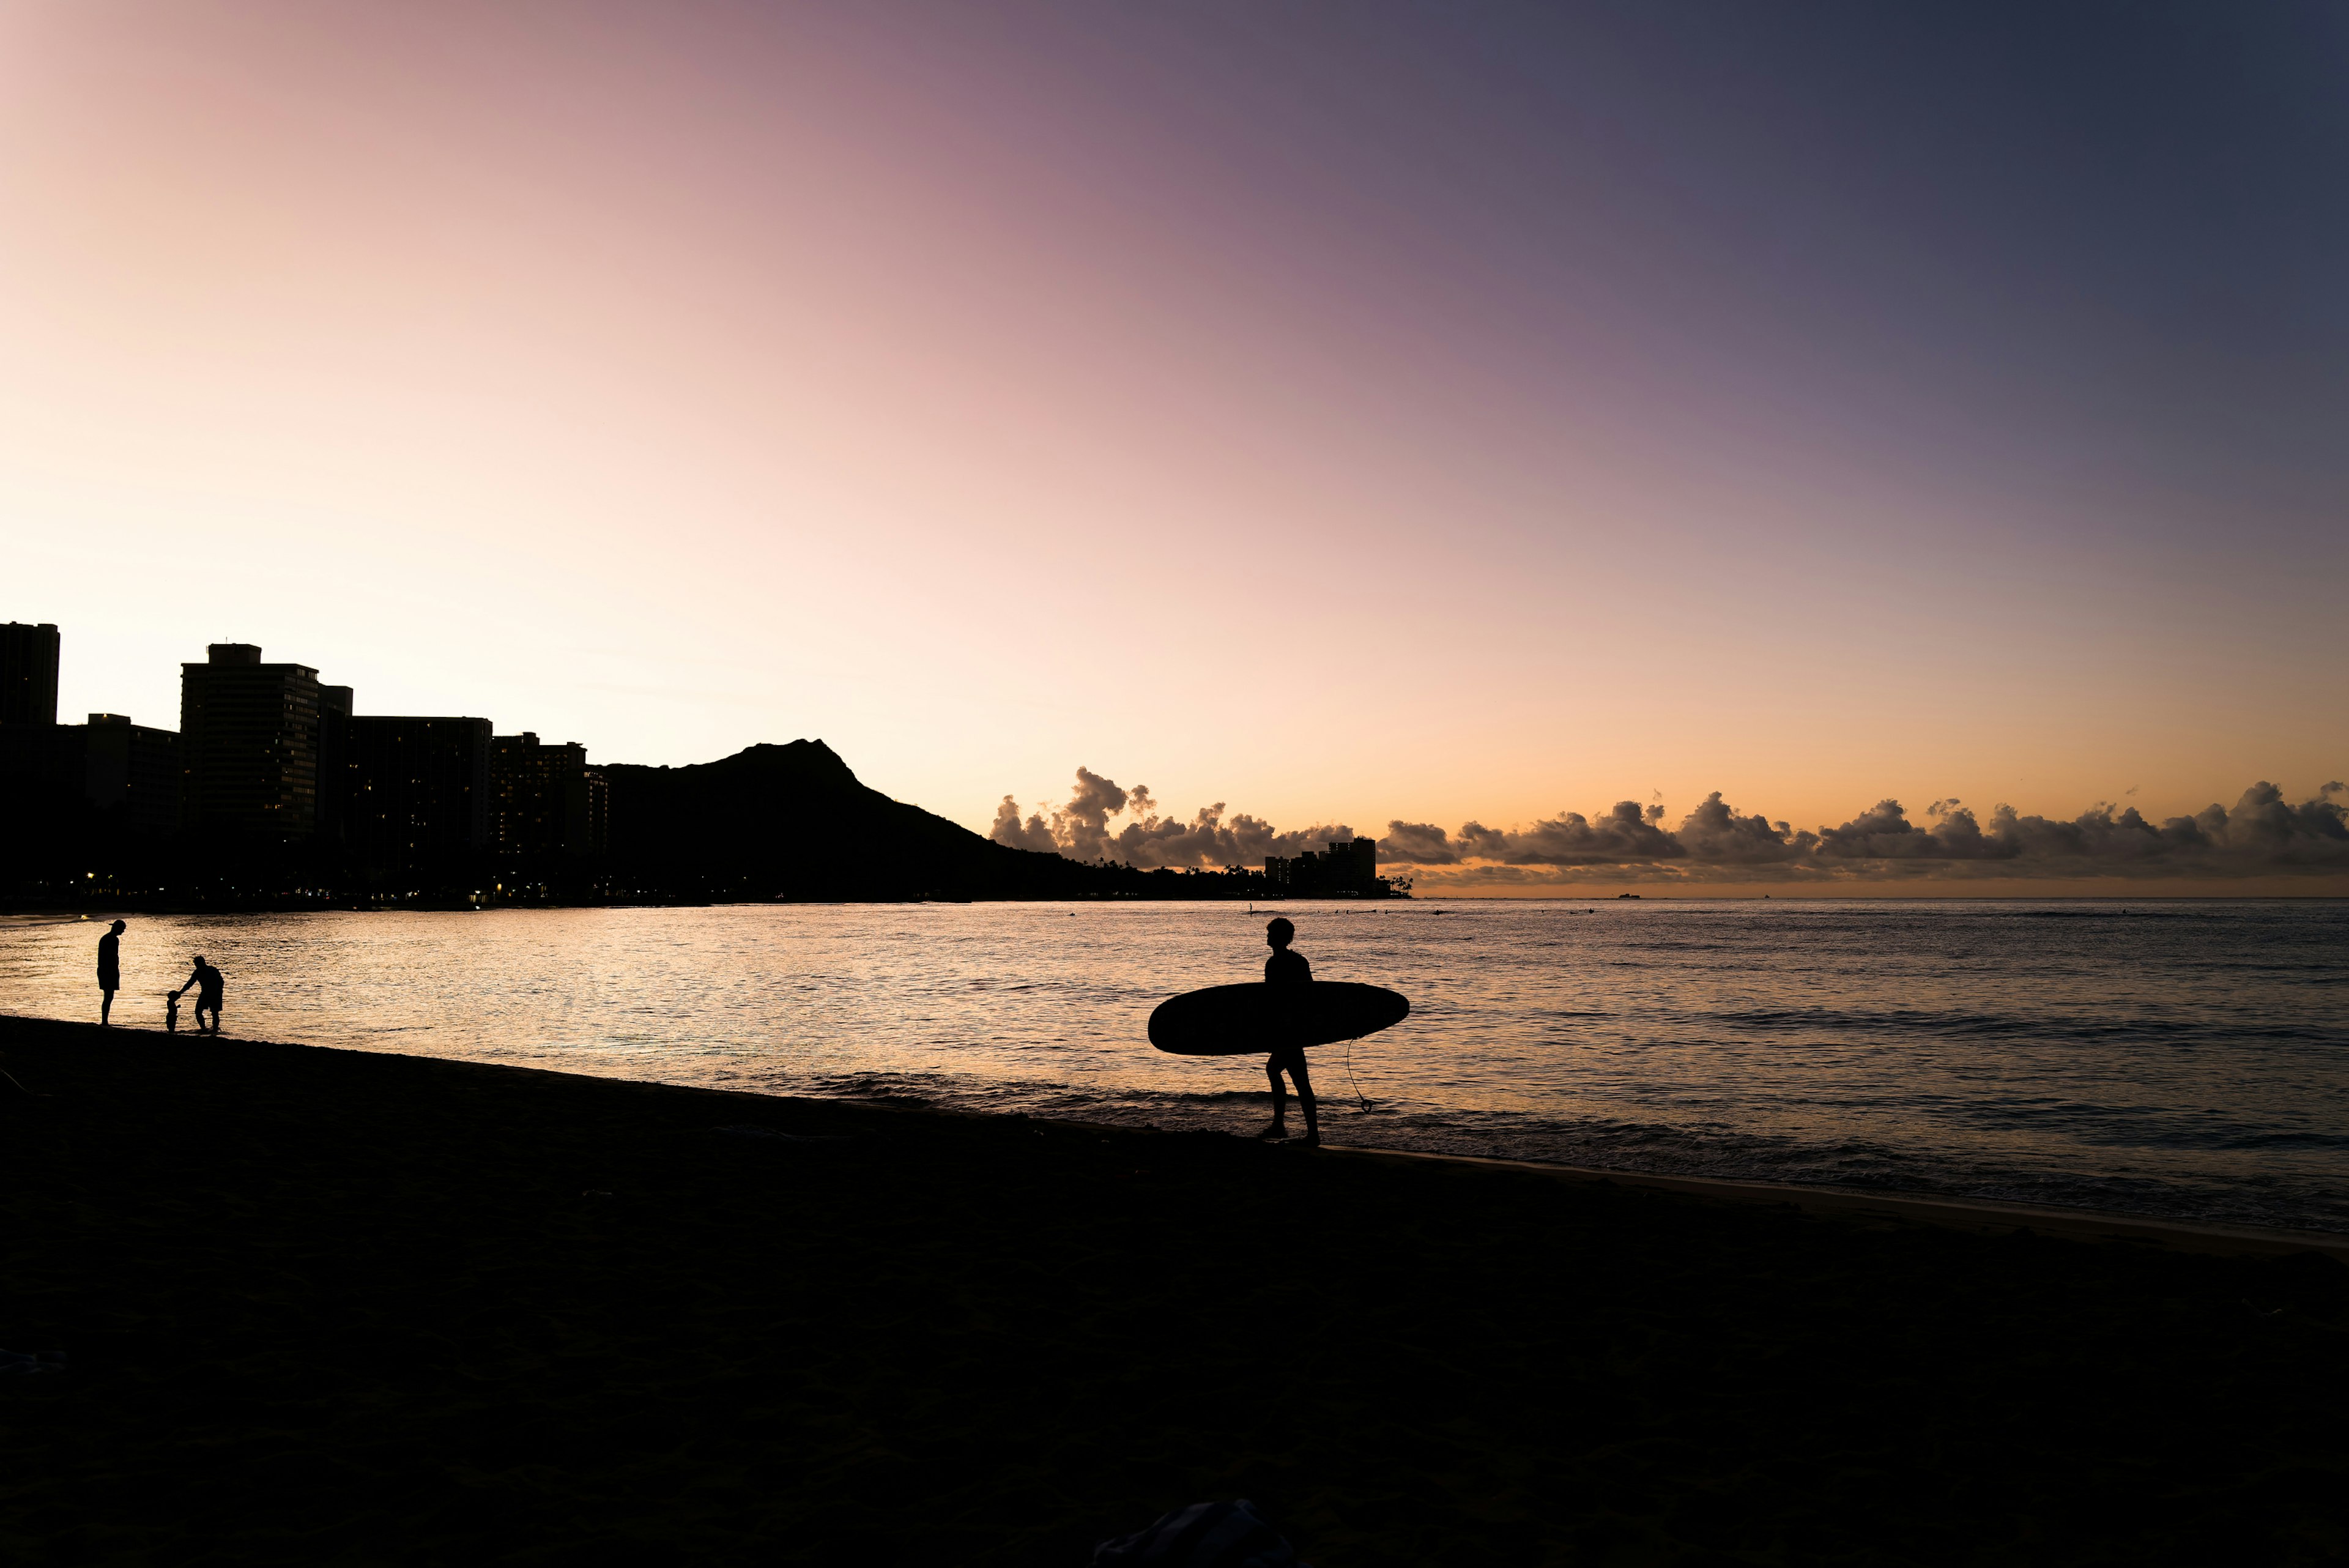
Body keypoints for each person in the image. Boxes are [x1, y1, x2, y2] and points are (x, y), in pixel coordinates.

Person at [1259, 916, 1319, 1148]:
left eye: (1270, 934)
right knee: (1282, 1073)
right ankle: (1285, 1127)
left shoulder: (1277, 963)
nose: (1267, 937)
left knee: (1295, 1079)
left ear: (1280, 937)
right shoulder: (1296, 961)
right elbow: (1309, 993)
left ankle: (1295, 1130)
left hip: (1289, 1028)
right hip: (1293, 1027)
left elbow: (1275, 998)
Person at [174, 954, 225, 1036]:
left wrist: (218, 991)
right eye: (196, 964)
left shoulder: (212, 970)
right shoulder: (198, 972)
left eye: (197, 964)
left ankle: (214, 1030)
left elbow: (221, 982)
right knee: (199, 1011)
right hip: (207, 993)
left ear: (202, 963)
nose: (196, 966)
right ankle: (204, 1029)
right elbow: (190, 984)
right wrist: (180, 992)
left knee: (214, 1012)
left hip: (215, 994)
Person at [97, 920, 125, 1025]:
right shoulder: (113, 939)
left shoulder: (106, 938)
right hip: (109, 970)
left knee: (108, 996)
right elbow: (112, 956)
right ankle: (104, 1021)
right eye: (123, 929)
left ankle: (105, 1020)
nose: (123, 932)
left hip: (106, 969)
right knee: (109, 996)